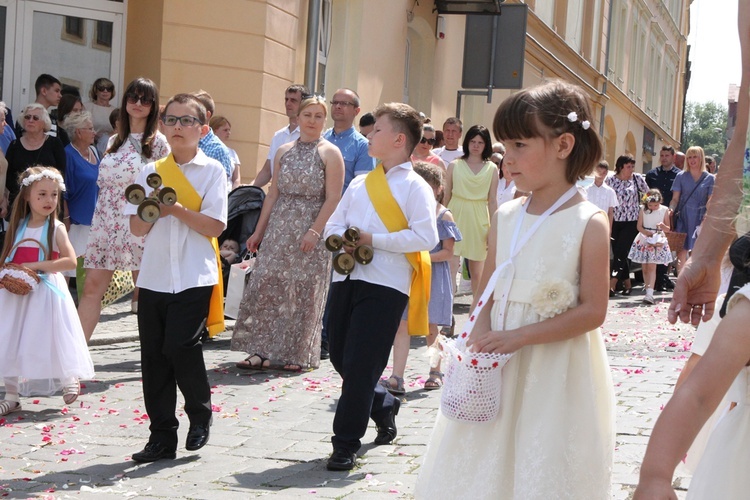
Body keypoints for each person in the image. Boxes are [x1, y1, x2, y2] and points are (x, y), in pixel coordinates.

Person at [416, 79, 614, 498]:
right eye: (505, 146)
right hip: (497, 357)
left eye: (521, 145)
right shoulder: (507, 214)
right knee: (488, 447)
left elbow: (594, 310)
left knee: (540, 451)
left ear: (562, 145)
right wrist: (478, 338)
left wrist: (519, 337)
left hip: (553, 362)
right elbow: (489, 284)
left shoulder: (589, 222)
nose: (507, 159)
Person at [323, 102, 438, 471]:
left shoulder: (416, 186)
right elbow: (334, 223)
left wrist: (374, 238)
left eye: (377, 130)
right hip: (346, 277)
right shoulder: (359, 182)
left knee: (360, 366)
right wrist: (339, 238)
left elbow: (425, 235)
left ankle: (345, 444)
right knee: (341, 357)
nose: (370, 134)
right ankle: (384, 404)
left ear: (399, 139)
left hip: (386, 285)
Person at [124, 93, 227, 463]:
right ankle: (162, 436)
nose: (178, 127)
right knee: (153, 357)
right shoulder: (149, 171)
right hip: (153, 275)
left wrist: (177, 209)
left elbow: (215, 225)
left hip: (193, 273)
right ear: (164, 126)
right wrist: (154, 212)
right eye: (172, 120)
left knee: (181, 346)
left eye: (187, 121)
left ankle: (200, 416)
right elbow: (135, 228)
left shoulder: (214, 170)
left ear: (202, 129)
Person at [231, 96, 344, 371]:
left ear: (324, 120)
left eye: (319, 116)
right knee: (267, 285)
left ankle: (297, 352)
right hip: (280, 225)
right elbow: (273, 194)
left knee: (303, 290)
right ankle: (260, 349)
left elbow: (333, 198)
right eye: (308, 115)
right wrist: (259, 231)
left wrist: (315, 231)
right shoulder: (283, 150)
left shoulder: (330, 153)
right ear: (299, 118)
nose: (312, 121)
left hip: (310, 225)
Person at [78, 77, 170, 341]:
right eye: (133, 97)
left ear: (153, 106)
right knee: (92, 287)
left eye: (145, 99)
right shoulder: (112, 141)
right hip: (106, 222)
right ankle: (76, 356)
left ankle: (156, 354)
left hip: (139, 223)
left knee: (148, 292)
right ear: (125, 101)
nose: (138, 103)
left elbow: (162, 186)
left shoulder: (159, 143)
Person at [0, 166, 94, 416]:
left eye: (54, 195)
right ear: (27, 196)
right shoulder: (17, 226)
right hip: (16, 292)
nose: (48, 200)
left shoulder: (56, 229)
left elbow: (70, 261)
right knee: (11, 337)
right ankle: (11, 394)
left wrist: (36, 265)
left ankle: (68, 377)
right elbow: (8, 254)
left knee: (55, 334)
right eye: (41, 194)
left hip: (45, 291)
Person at [380, 161, 461, 394]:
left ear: (438, 189)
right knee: (402, 324)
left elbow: (448, 252)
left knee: (430, 325)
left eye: (430, 185)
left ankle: (435, 371)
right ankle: (397, 376)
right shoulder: (406, 212)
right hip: (408, 274)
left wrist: (423, 257)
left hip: (432, 275)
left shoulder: (444, 216)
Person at [444, 124, 498, 297]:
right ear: (467, 142)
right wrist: (441, 220)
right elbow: (446, 195)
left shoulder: (492, 168)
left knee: (478, 272)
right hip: (456, 214)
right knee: (451, 268)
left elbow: (492, 200)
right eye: (473, 141)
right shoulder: (454, 165)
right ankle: (447, 315)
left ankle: (476, 315)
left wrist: (494, 228)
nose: (475, 145)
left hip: (479, 218)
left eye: (480, 142)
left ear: (486, 145)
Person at [4, 104, 66, 216]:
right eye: (27, 117)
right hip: (21, 205)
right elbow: (8, 176)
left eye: (35, 118)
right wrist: (27, 192)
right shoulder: (14, 145)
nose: (30, 120)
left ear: (44, 123)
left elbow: (61, 174)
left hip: (48, 205)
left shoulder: (55, 144)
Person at [60, 111, 100, 278]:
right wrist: (66, 218)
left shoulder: (95, 151)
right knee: (68, 269)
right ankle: (63, 303)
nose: (94, 132)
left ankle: (83, 303)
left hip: (94, 219)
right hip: (76, 221)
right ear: (78, 132)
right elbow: (63, 189)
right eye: (90, 128)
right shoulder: (68, 154)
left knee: (88, 269)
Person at [606, 154, 648, 296]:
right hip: (614, 220)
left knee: (621, 251)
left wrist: (645, 206)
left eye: (632, 166)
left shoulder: (637, 179)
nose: (631, 169)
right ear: (620, 167)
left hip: (631, 221)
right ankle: (628, 284)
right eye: (628, 166)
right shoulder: (611, 180)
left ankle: (612, 284)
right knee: (619, 252)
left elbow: (648, 194)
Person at [252, 84, 309, 187]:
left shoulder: (309, 136)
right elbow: (267, 170)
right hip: (276, 197)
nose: (288, 103)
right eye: (286, 99)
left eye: (293, 100)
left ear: (304, 104)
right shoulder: (278, 136)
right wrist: (248, 188)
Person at [670, 145, 715, 273]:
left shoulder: (710, 178)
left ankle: (694, 283)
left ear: (701, 158)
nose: (692, 160)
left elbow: (711, 201)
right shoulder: (681, 176)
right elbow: (675, 199)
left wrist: (706, 217)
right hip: (683, 216)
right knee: (681, 252)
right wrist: (671, 209)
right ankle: (681, 283)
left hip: (701, 217)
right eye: (689, 157)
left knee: (697, 252)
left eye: (695, 157)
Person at [324, 88, 375, 191]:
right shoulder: (323, 138)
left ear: (356, 111)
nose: (338, 106)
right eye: (335, 102)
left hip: (343, 205)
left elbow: (361, 188)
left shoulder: (363, 146)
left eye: (344, 103)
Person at [646, 145, 682, 291]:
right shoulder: (651, 174)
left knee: (667, 248)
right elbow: (645, 196)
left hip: (671, 216)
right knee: (654, 247)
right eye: (662, 155)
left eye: (667, 155)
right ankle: (657, 280)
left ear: (673, 157)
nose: (664, 158)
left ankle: (661, 278)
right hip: (653, 216)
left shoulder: (679, 175)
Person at [628, 189, 672, 304]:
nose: (653, 207)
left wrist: (662, 226)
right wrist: (646, 233)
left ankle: (650, 293)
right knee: (645, 266)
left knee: (652, 266)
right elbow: (639, 226)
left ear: (660, 202)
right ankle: (647, 289)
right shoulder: (643, 210)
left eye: (656, 205)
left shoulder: (664, 210)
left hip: (657, 239)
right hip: (645, 238)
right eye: (650, 205)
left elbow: (668, 228)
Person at [192, 90, 235, 187]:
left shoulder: (218, 150)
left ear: (207, 115)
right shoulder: (185, 142)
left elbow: (221, 187)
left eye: (193, 111)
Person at [15, 74, 62, 139]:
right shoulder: (25, 116)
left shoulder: (53, 120)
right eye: (57, 91)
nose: (60, 95)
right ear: (44, 91)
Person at [209, 115, 241, 190]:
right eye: (225, 130)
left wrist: (233, 194)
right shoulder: (207, 149)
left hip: (229, 193)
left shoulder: (232, 153)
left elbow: (237, 179)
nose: (228, 133)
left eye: (229, 130)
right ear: (215, 131)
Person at [584, 160, 618, 229]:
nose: (601, 175)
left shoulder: (610, 192)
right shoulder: (586, 190)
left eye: (603, 173)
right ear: (594, 172)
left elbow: (610, 213)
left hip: (603, 225)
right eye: (598, 172)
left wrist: (609, 230)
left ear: (606, 173)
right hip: (588, 224)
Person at [88, 78, 116, 158]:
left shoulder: (115, 111)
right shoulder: (87, 107)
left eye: (109, 89)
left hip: (109, 147)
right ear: (95, 91)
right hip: (89, 146)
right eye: (101, 88)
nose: (105, 91)